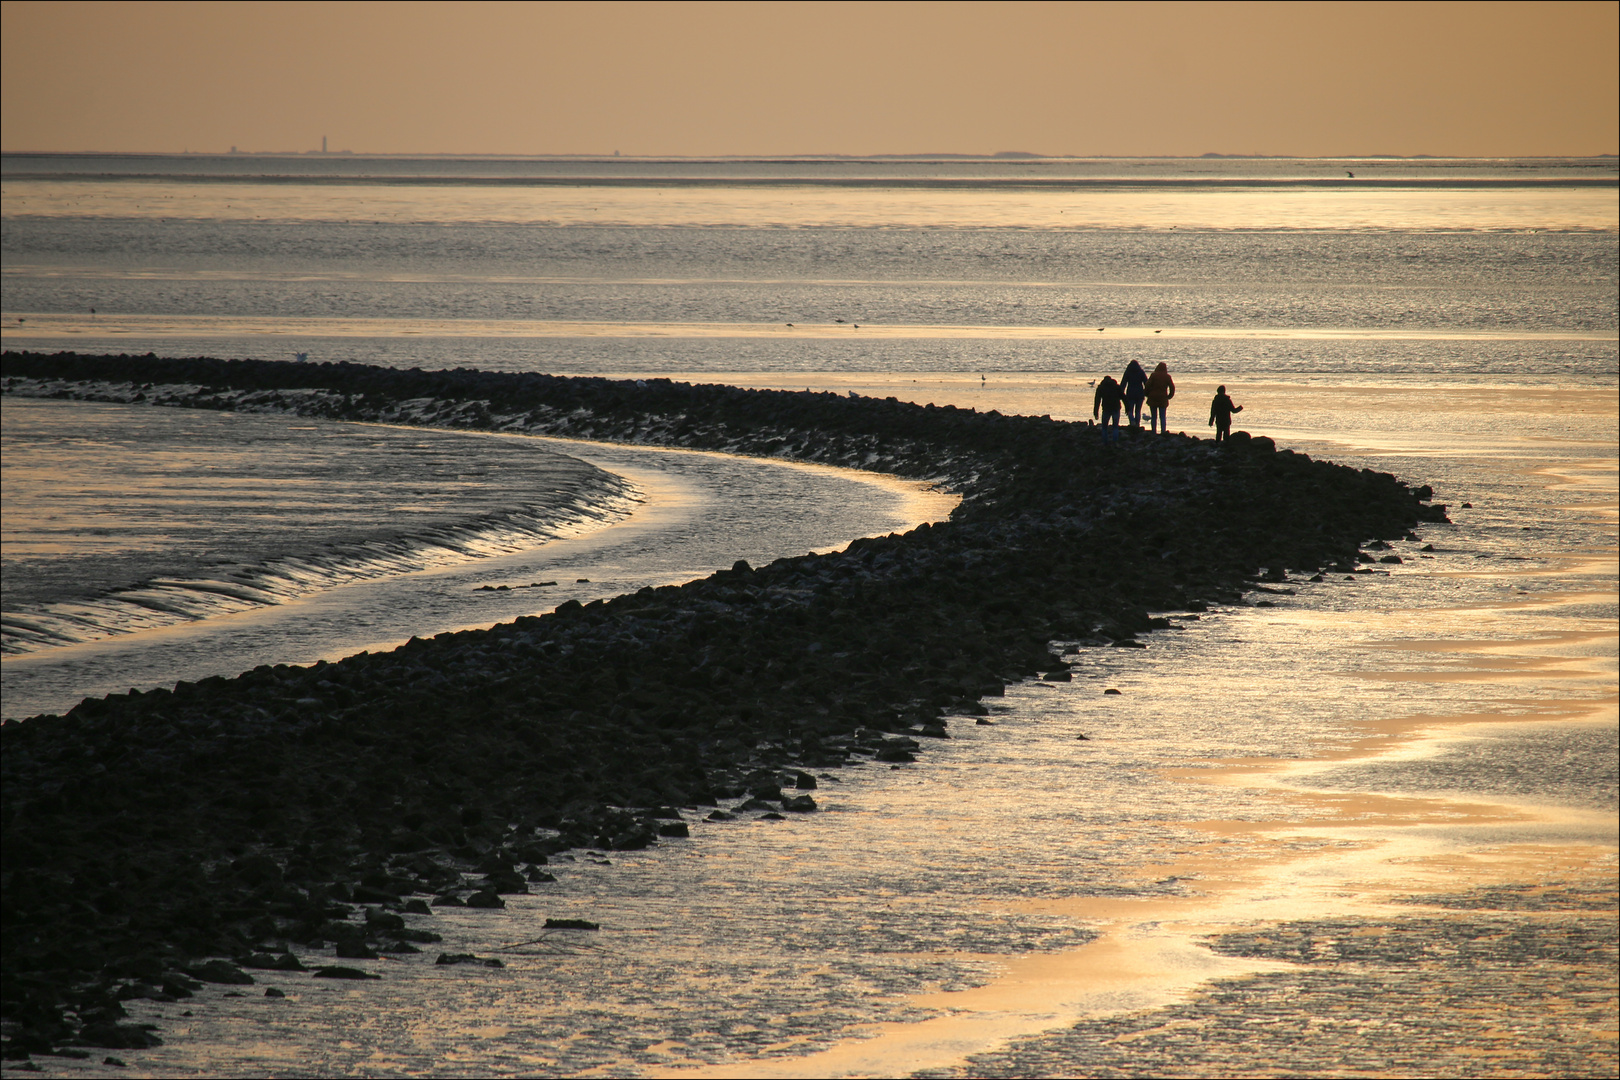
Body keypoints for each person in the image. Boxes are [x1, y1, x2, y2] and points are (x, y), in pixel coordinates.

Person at [1145, 361, 1175, 434]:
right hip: (1163, 398)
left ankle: (1153, 431)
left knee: (1154, 416)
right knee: (1162, 417)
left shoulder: (1153, 375)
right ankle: (1163, 431)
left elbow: (1147, 385)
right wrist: (1169, 396)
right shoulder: (1167, 377)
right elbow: (1172, 387)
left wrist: (1146, 394)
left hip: (1153, 397)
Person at [1093, 375, 1125, 444]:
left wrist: (1096, 412)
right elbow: (1123, 397)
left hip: (1106, 408)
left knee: (1104, 427)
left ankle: (1105, 442)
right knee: (1115, 426)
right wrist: (1127, 408)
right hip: (1116, 408)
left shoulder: (1101, 388)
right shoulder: (1116, 387)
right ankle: (1115, 441)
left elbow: (1097, 401)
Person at [1120, 360, 1148, 430]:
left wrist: (1120, 393)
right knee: (1138, 411)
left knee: (1130, 410)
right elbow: (1146, 383)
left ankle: (1132, 422)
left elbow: (1123, 383)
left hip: (1130, 394)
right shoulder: (1141, 372)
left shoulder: (1128, 372)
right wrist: (1146, 392)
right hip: (1140, 394)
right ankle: (1137, 423)